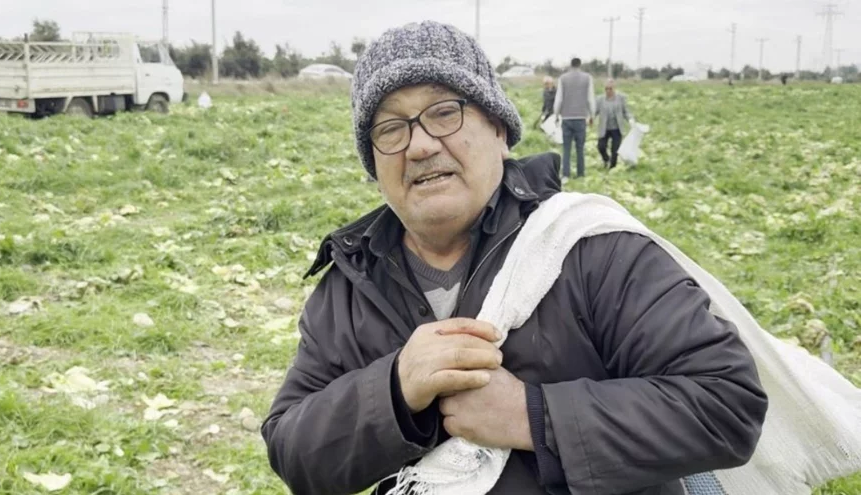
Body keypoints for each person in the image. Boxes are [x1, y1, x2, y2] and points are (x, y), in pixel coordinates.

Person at [261, 20, 767, 495]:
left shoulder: (588, 247)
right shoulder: (353, 281)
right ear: (373, 163)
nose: (419, 146)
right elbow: (293, 451)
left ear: (500, 130)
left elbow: (726, 404)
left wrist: (534, 416)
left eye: (445, 112)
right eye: (391, 128)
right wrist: (396, 389)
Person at [553, 57, 595, 180]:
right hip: (581, 117)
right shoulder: (587, 78)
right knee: (580, 148)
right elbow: (590, 99)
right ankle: (580, 174)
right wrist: (592, 115)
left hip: (566, 117)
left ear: (571, 65)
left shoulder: (563, 78)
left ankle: (565, 174)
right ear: (580, 65)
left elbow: (559, 99)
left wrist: (556, 115)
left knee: (566, 148)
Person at [594, 79, 634, 169]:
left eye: (610, 89)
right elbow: (594, 111)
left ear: (614, 88)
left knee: (615, 150)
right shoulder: (600, 99)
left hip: (616, 128)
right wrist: (590, 118)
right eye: (606, 89)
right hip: (604, 128)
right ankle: (606, 159)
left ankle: (612, 167)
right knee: (601, 147)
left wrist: (630, 119)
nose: (608, 91)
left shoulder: (621, 98)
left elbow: (626, 111)